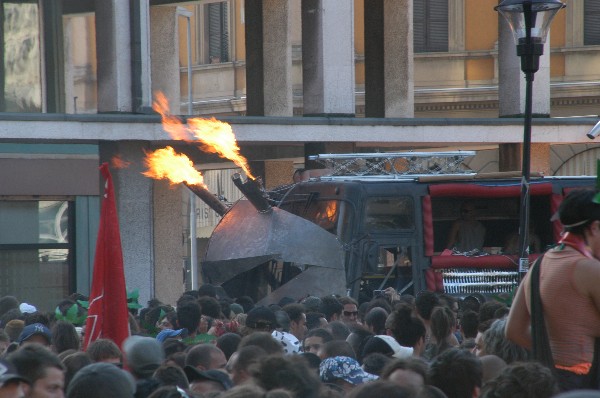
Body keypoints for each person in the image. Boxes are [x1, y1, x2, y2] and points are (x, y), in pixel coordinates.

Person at [505, 189, 600, 391]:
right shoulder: (590, 269)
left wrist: (552, 350)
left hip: (545, 379)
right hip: (584, 382)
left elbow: (513, 330)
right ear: (594, 228)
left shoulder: (539, 264)